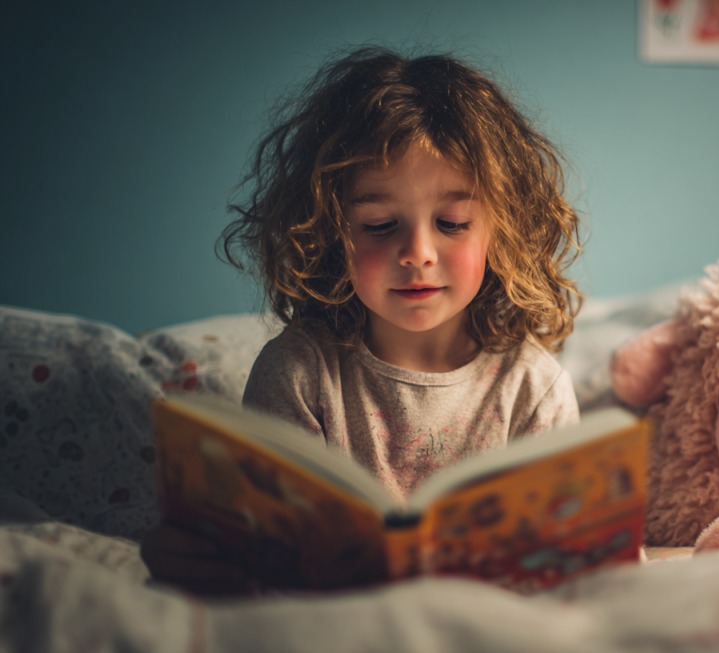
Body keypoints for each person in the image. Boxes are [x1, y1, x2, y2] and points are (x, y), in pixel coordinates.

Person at [141, 46, 584, 594]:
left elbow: (562, 565)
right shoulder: (298, 372)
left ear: (503, 229)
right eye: (378, 224)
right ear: (330, 231)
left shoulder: (533, 387)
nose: (418, 252)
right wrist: (204, 558)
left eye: (451, 222)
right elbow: (266, 557)